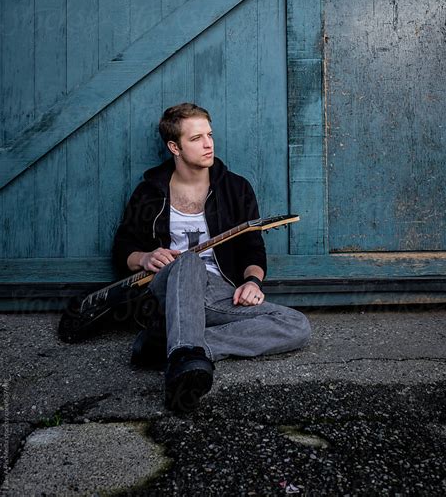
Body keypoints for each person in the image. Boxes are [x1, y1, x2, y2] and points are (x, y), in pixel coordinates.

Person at [112, 103, 311, 412]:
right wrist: (145, 257)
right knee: (188, 260)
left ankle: (178, 347)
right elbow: (122, 247)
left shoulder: (235, 188)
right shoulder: (149, 193)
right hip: (169, 291)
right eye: (196, 138)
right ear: (174, 146)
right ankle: (183, 363)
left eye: (210, 134)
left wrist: (252, 281)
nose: (208, 144)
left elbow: (252, 247)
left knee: (296, 325)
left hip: (218, 293)